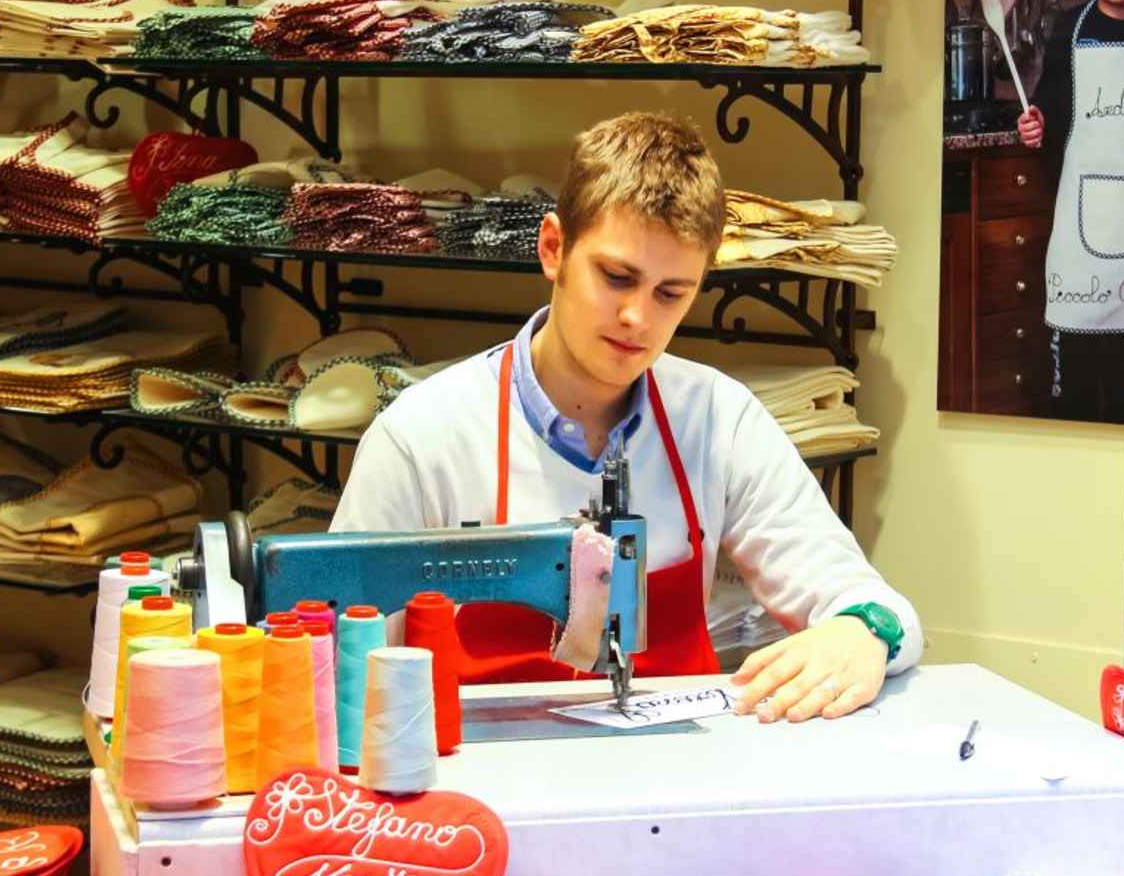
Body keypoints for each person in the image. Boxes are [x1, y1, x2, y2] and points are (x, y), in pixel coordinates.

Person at [331, 112, 921, 723]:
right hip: (487, 791)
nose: (639, 317)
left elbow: (872, 602)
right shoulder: (422, 437)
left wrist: (861, 631)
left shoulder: (720, 420)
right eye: (617, 278)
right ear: (553, 248)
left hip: (674, 788)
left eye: (672, 293)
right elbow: (340, 663)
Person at [1017, 0, 1124, 424]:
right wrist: (1037, 122)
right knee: (1075, 387)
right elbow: (1051, 105)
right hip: (1082, 225)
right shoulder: (1069, 29)